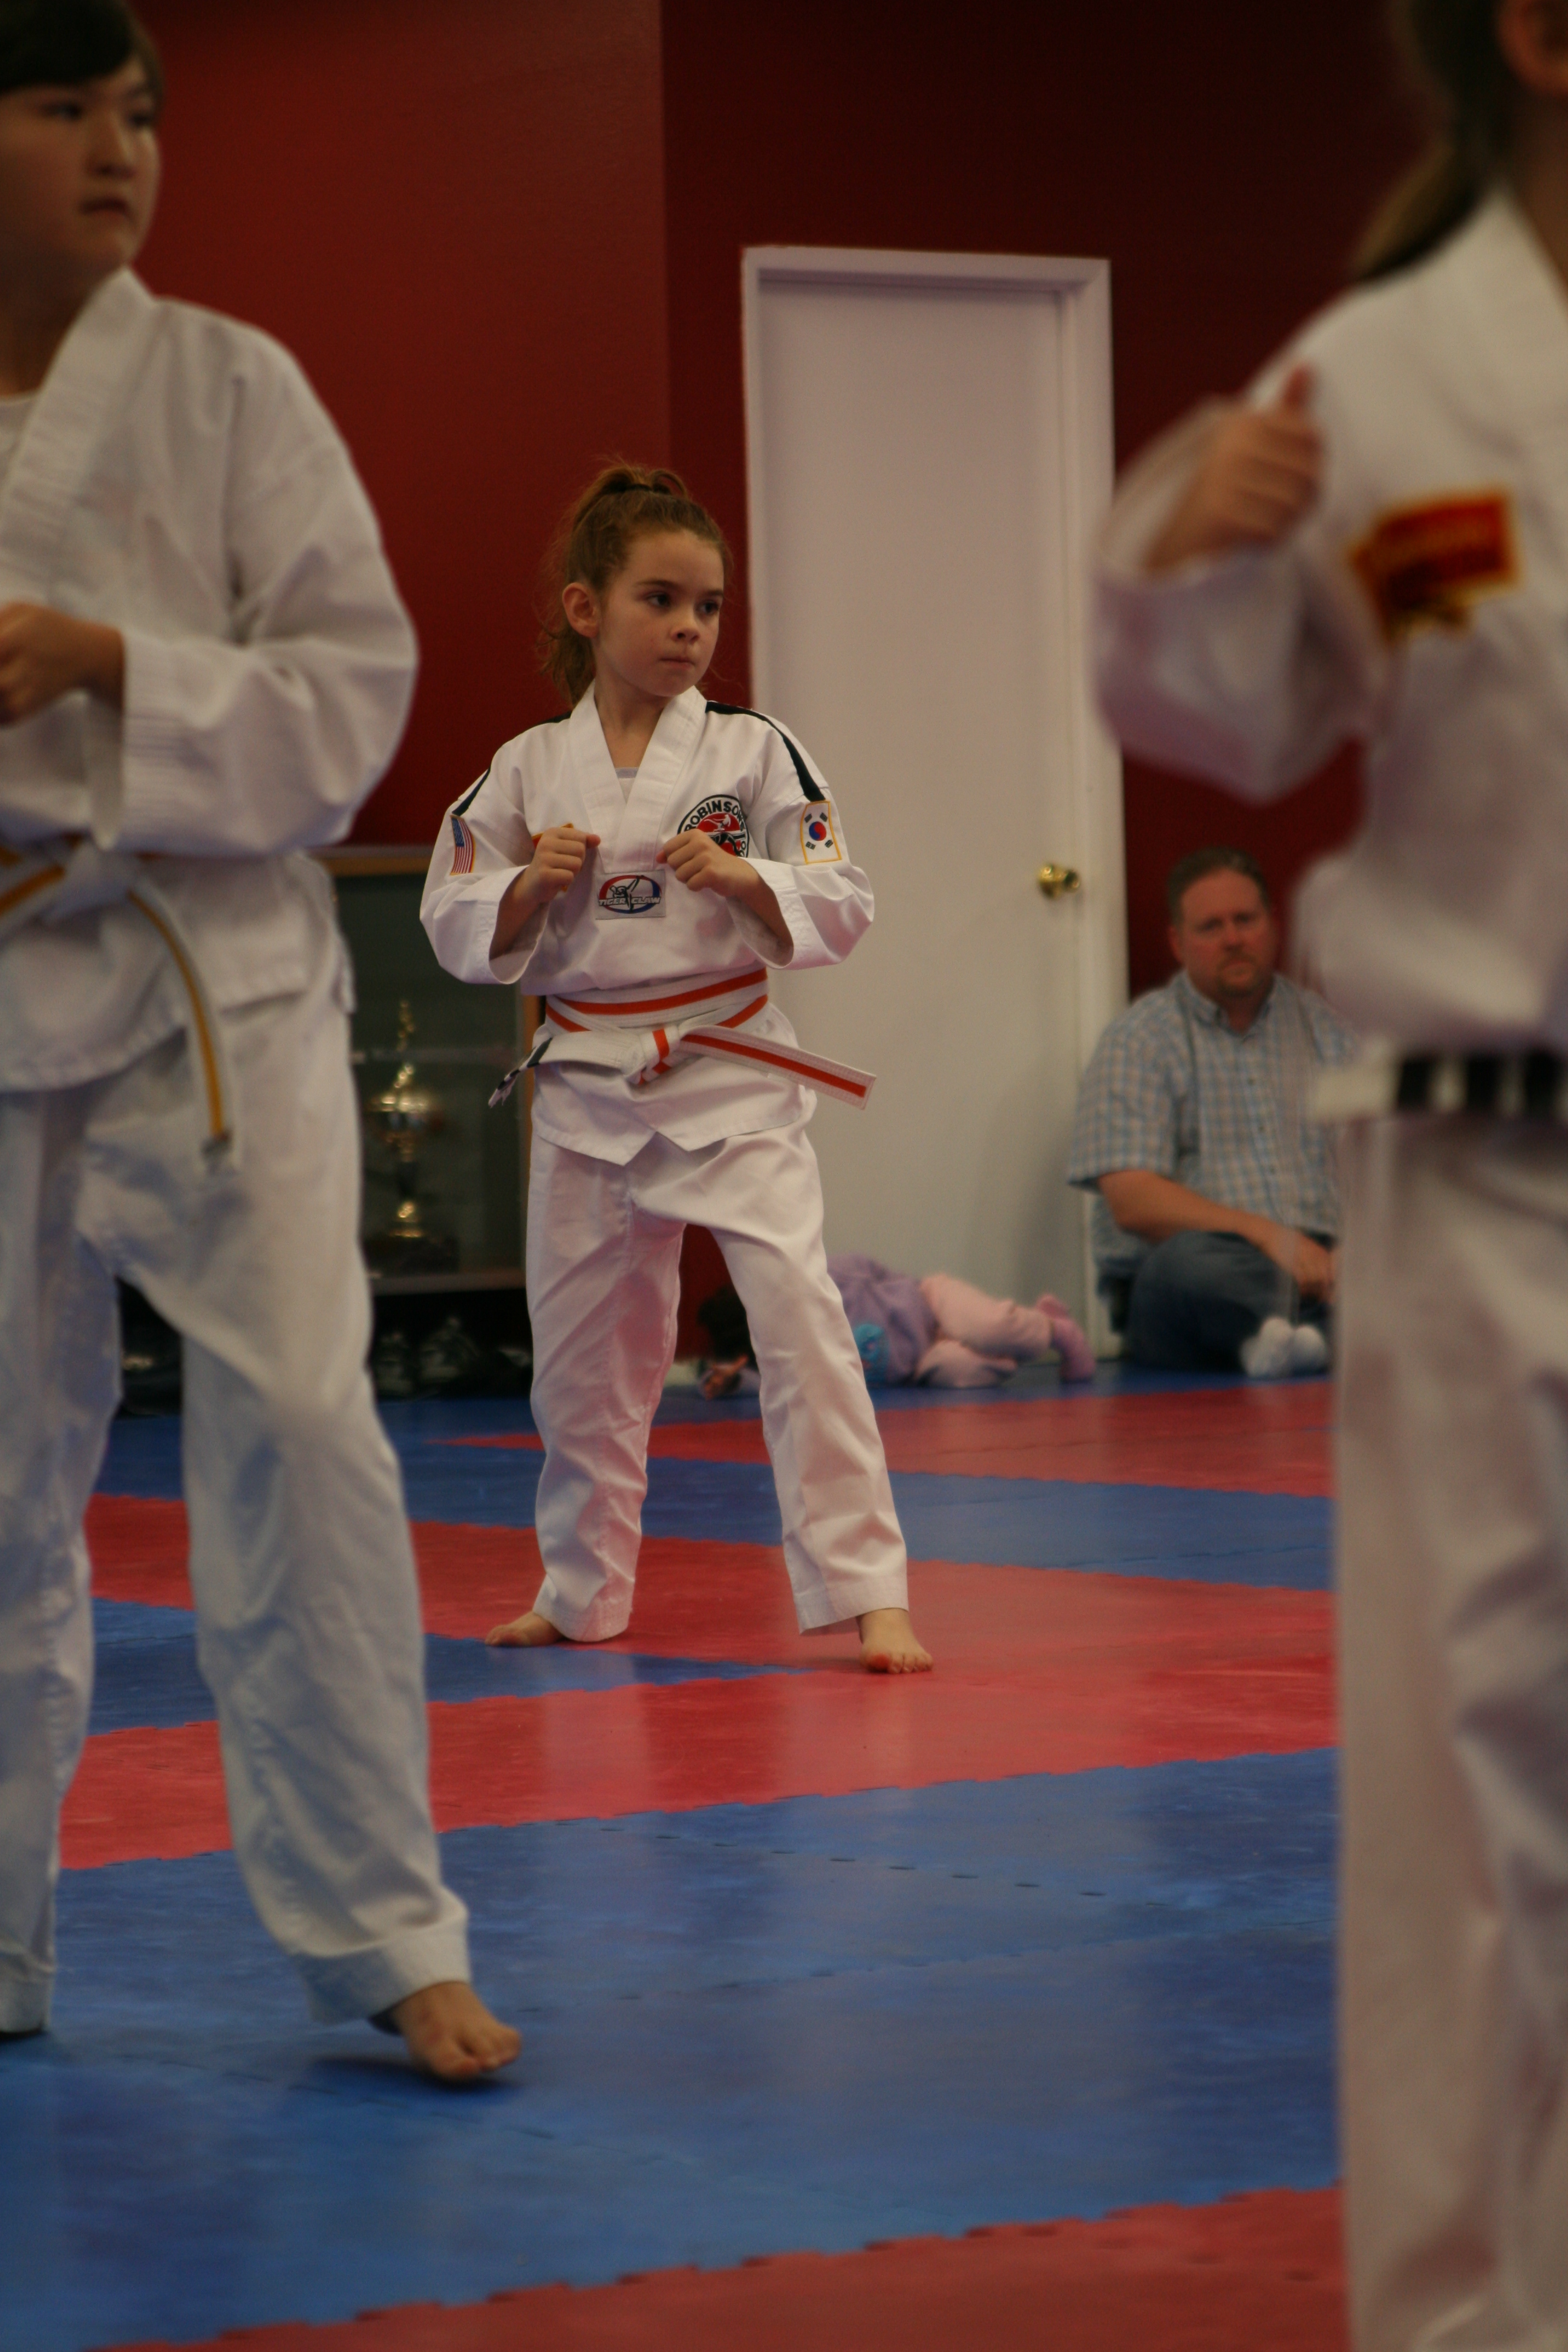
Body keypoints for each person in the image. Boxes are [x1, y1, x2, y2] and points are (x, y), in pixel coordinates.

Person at [1093, 0, 1568, 2339]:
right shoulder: (1376, 379)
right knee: (1472, 1809)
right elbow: (1219, 705)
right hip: (1489, 1168)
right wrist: (1172, 554)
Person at [0, 0, 517, 2082]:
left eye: (140, 111)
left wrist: (116, 663)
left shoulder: (232, 385)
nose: (119, 147)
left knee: (306, 1425)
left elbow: (351, 693)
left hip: (214, 966)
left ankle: (385, 1925)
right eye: (63, 107)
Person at [422, 465, 930, 1674]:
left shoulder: (756, 750)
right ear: (585, 607)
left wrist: (747, 876)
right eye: (660, 600)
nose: (690, 628)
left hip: (728, 1069)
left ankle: (870, 1589)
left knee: (801, 1324)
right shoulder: (526, 766)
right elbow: (452, 908)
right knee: (583, 1360)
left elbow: (843, 895)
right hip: (586, 1081)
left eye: (707, 606)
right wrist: (526, 887)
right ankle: (579, 1589)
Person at [1068, 846, 1356, 1377]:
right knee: (1182, 1267)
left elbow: (1381, 1168)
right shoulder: (1139, 1040)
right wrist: (1268, 1236)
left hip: (1329, 1267)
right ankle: (1335, 1338)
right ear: (1178, 943)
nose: (1233, 939)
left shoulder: (1330, 1033)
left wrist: (1355, 1251)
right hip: (1203, 1276)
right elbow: (1132, 1201)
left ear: (1272, 925)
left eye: (1245, 920)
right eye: (1211, 927)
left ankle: (1303, 1340)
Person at [696, 1259, 1096, 1396]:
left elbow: (871, 1270)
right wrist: (728, 1380)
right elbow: (765, 1385)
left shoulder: (825, 1282)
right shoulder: (791, 1363)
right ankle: (1026, 1334)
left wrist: (905, 1292)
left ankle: (1058, 1331)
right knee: (959, 1372)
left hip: (931, 1303)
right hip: (924, 1363)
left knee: (988, 1326)